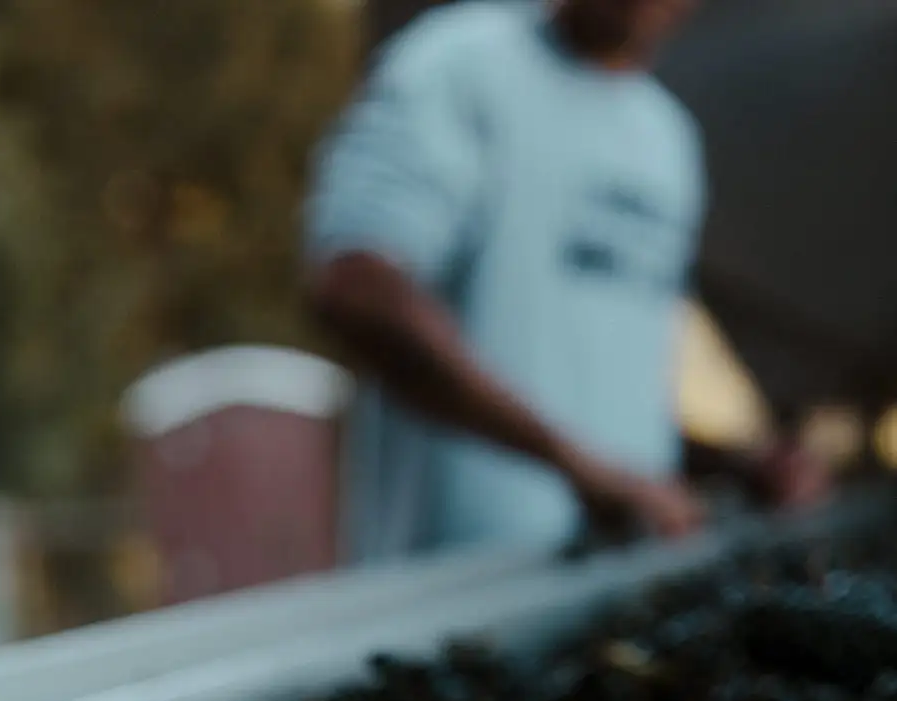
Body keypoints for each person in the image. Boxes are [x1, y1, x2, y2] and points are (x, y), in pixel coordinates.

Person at [304, 0, 823, 561]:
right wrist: (574, 466)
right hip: (451, 589)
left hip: (605, 581)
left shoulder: (666, 138)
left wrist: (733, 468)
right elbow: (357, 289)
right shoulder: (461, 65)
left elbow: (608, 404)